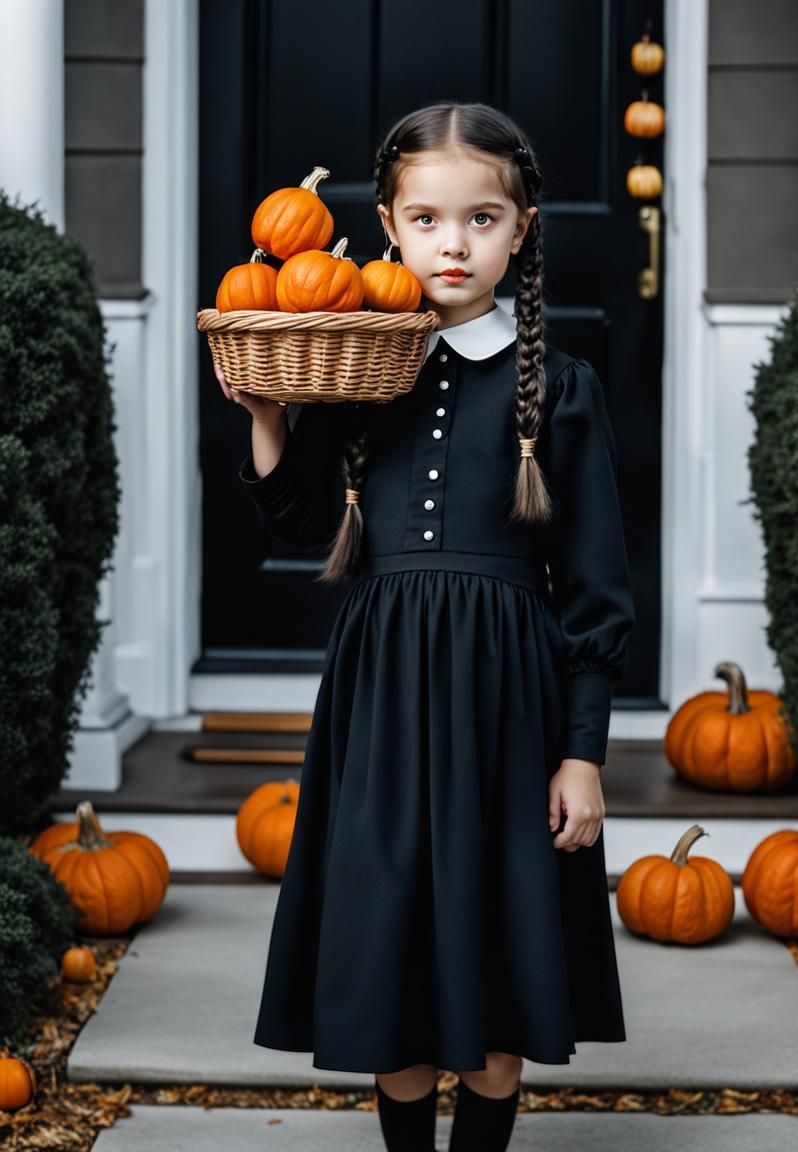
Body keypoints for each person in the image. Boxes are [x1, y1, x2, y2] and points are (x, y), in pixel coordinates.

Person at [216, 100, 636, 1152]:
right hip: (383, 698)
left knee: (495, 996)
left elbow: (595, 593)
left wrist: (580, 756)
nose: (456, 243)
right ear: (390, 230)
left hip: (511, 704)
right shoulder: (361, 374)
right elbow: (302, 519)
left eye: (483, 219)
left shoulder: (561, 389)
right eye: (430, 220)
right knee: (391, 982)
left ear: (522, 228)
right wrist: (269, 412)